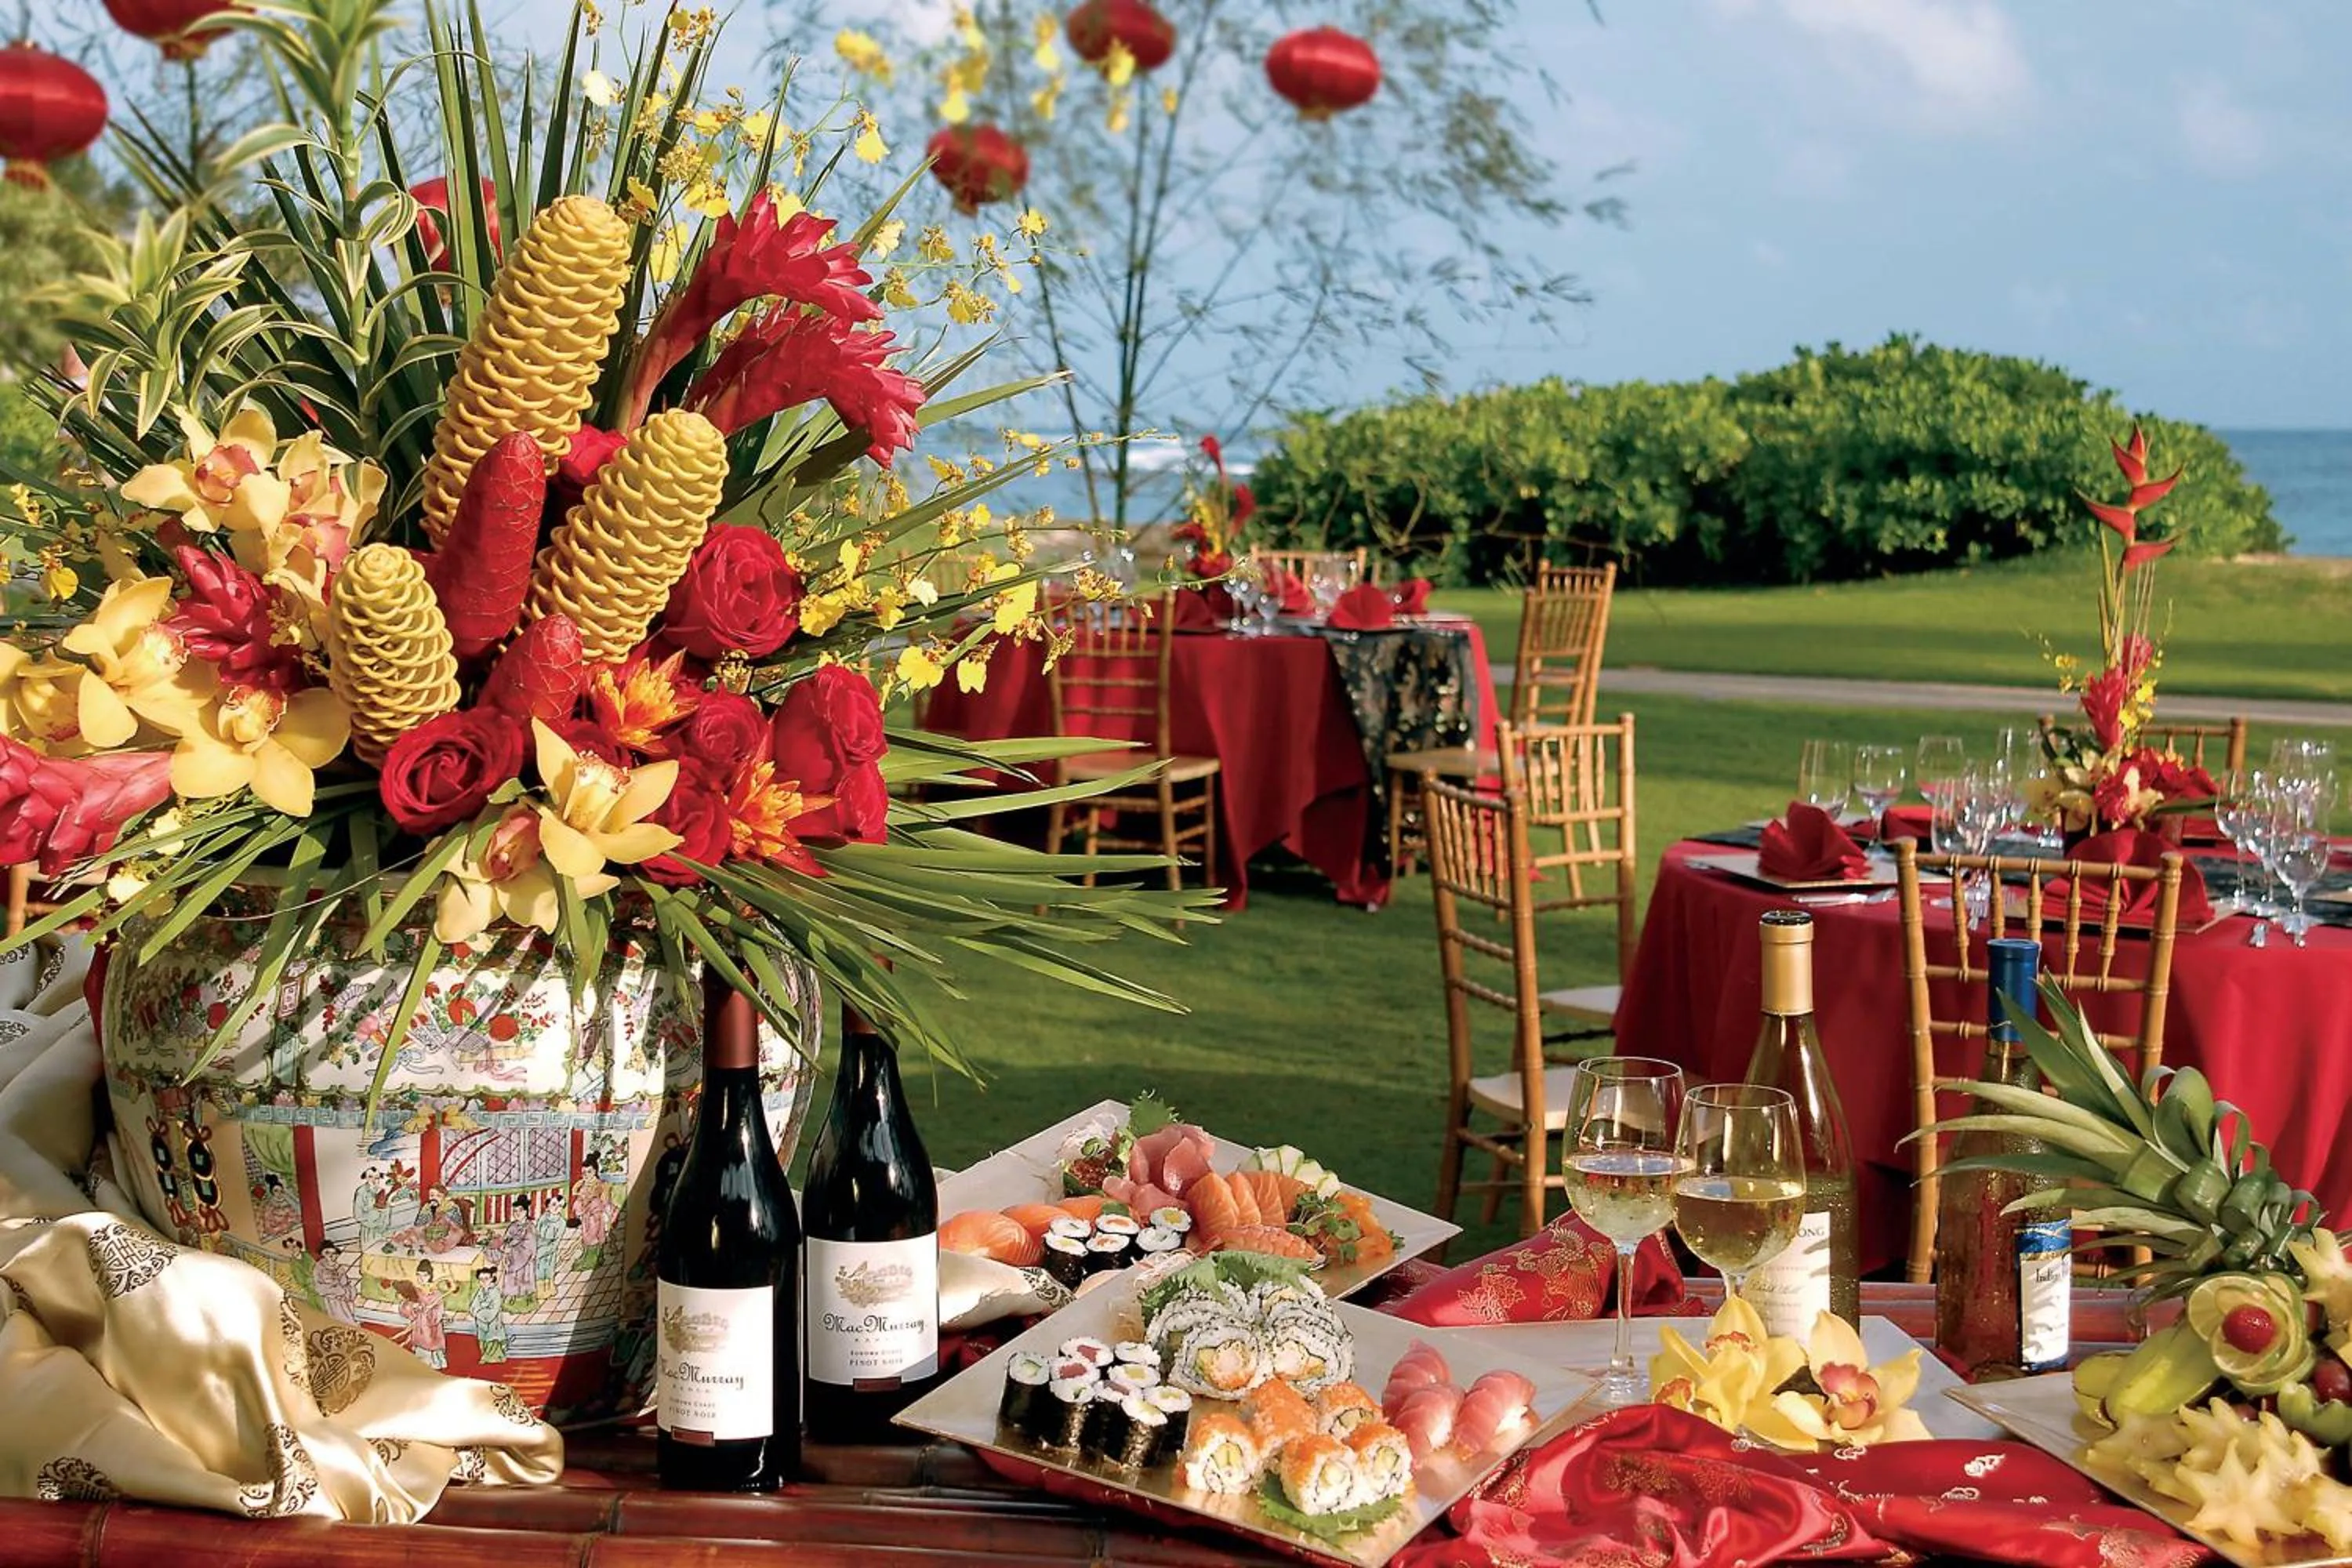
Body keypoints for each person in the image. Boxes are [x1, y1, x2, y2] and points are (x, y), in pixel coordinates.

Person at [399, 1261, 447, 1369]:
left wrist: (429, 1311)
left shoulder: (436, 1293)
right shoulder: (415, 1291)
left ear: (430, 1276)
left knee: (431, 1342)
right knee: (421, 1345)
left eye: (425, 1275)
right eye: (419, 1275)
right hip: (419, 1325)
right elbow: (405, 1307)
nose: (421, 1278)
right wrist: (413, 1307)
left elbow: (439, 1311)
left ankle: (435, 1362)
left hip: (431, 1327)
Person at [468, 1265, 508, 1365]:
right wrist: (478, 1311)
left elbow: (494, 1310)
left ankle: (494, 1358)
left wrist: (479, 1312)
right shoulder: (480, 1292)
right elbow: (473, 1306)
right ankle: (486, 1356)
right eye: (481, 1279)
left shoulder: (495, 1292)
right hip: (481, 1323)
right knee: (483, 1341)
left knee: (492, 1340)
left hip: (493, 1323)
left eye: (486, 1279)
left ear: (491, 1279)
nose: (483, 1281)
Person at [314, 1241, 360, 1324]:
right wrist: (337, 1291)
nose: (331, 1256)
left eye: (333, 1253)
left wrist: (348, 1291)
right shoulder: (319, 1267)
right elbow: (319, 1287)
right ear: (322, 1253)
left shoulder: (339, 1267)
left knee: (348, 1314)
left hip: (343, 1298)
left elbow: (345, 1282)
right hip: (330, 1298)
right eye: (327, 1253)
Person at [534, 1196, 568, 1290]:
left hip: (550, 1248)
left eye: (560, 1206)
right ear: (548, 1206)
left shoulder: (561, 1222)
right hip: (539, 1244)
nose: (556, 1208)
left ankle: (548, 1289)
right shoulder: (543, 1218)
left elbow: (557, 1241)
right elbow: (537, 1231)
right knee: (537, 1269)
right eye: (554, 1205)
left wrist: (543, 1251)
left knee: (547, 1269)